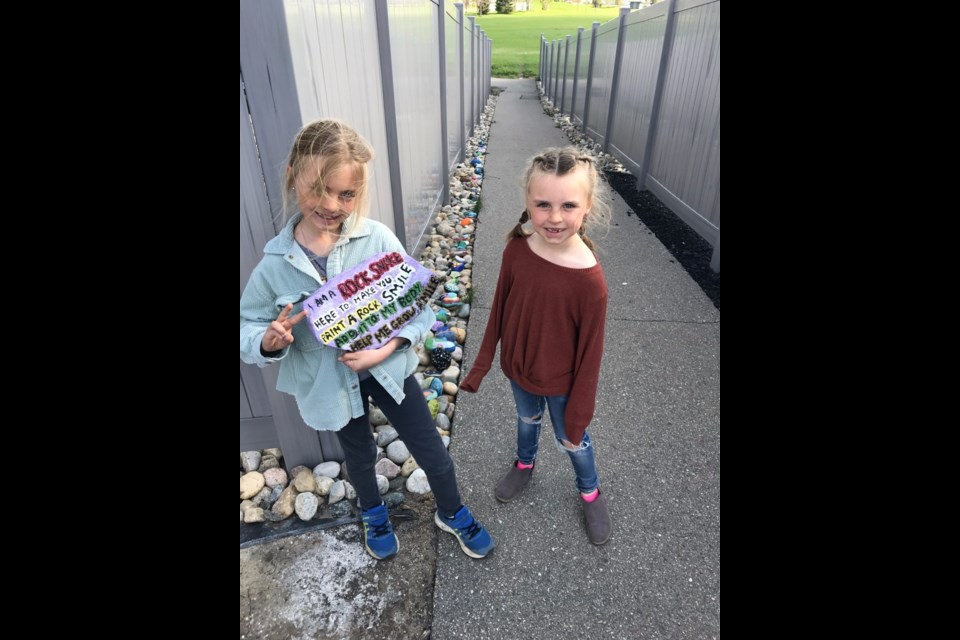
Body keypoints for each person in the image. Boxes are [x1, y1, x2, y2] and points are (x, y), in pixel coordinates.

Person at [240, 119, 494, 560]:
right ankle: (373, 513)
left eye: (346, 194)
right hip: (330, 384)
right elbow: (247, 325)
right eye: (319, 188)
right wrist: (267, 340)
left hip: (387, 368)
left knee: (431, 449)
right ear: (292, 177)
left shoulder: (375, 239)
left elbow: (418, 307)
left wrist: (387, 347)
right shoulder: (274, 266)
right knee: (357, 456)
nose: (331, 204)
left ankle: (451, 510)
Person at [460, 147, 612, 545]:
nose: (555, 217)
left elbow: (591, 354)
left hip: (562, 382)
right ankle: (525, 463)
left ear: (587, 207)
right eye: (542, 204)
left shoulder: (589, 280)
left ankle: (590, 491)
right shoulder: (517, 249)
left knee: (573, 440)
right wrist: (481, 365)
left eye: (568, 205)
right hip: (519, 369)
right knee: (527, 420)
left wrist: (579, 411)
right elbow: (498, 309)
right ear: (528, 202)